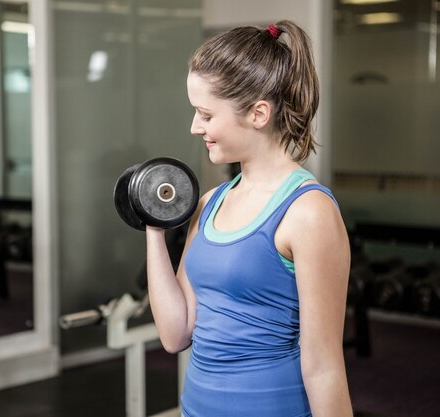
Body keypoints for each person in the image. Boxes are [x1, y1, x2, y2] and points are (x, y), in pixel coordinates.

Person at [146, 21, 354, 417]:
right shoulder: (210, 203)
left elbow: (324, 367)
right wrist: (153, 226)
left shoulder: (308, 213)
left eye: (206, 114)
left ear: (259, 113)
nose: (194, 127)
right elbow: (175, 334)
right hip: (196, 408)